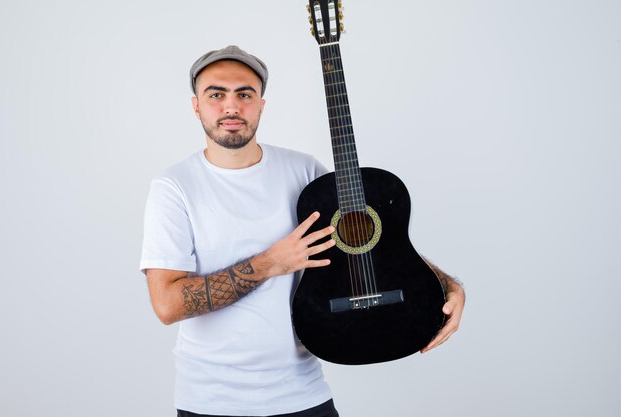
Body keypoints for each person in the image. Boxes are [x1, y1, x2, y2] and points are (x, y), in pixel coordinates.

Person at [140, 45, 465, 417]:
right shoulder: (174, 187)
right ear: (196, 105)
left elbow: (370, 242)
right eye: (216, 94)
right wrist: (270, 263)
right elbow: (167, 305)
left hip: (303, 394)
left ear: (261, 104)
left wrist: (448, 285)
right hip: (211, 402)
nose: (231, 107)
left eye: (244, 94)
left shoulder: (305, 172)